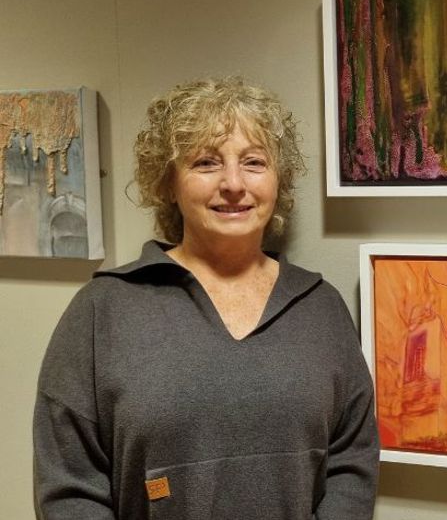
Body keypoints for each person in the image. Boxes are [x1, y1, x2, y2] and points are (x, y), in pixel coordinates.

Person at [33, 77, 379, 519]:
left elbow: (353, 461)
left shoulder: (320, 306)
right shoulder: (102, 311)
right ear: (169, 183)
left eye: (254, 162)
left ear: (278, 180)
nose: (233, 184)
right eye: (205, 163)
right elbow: (68, 487)